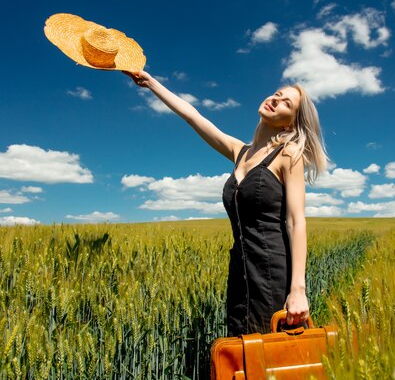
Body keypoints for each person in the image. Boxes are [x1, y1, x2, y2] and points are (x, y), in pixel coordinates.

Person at [124, 70, 329, 336]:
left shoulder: (288, 155)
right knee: (240, 350)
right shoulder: (239, 151)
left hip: (271, 272)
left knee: (269, 356)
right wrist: (151, 83)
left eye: (287, 103)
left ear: (289, 124)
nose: (276, 100)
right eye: (277, 94)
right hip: (240, 271)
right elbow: (193, 117)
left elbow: (295, 221)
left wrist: (298, 290)